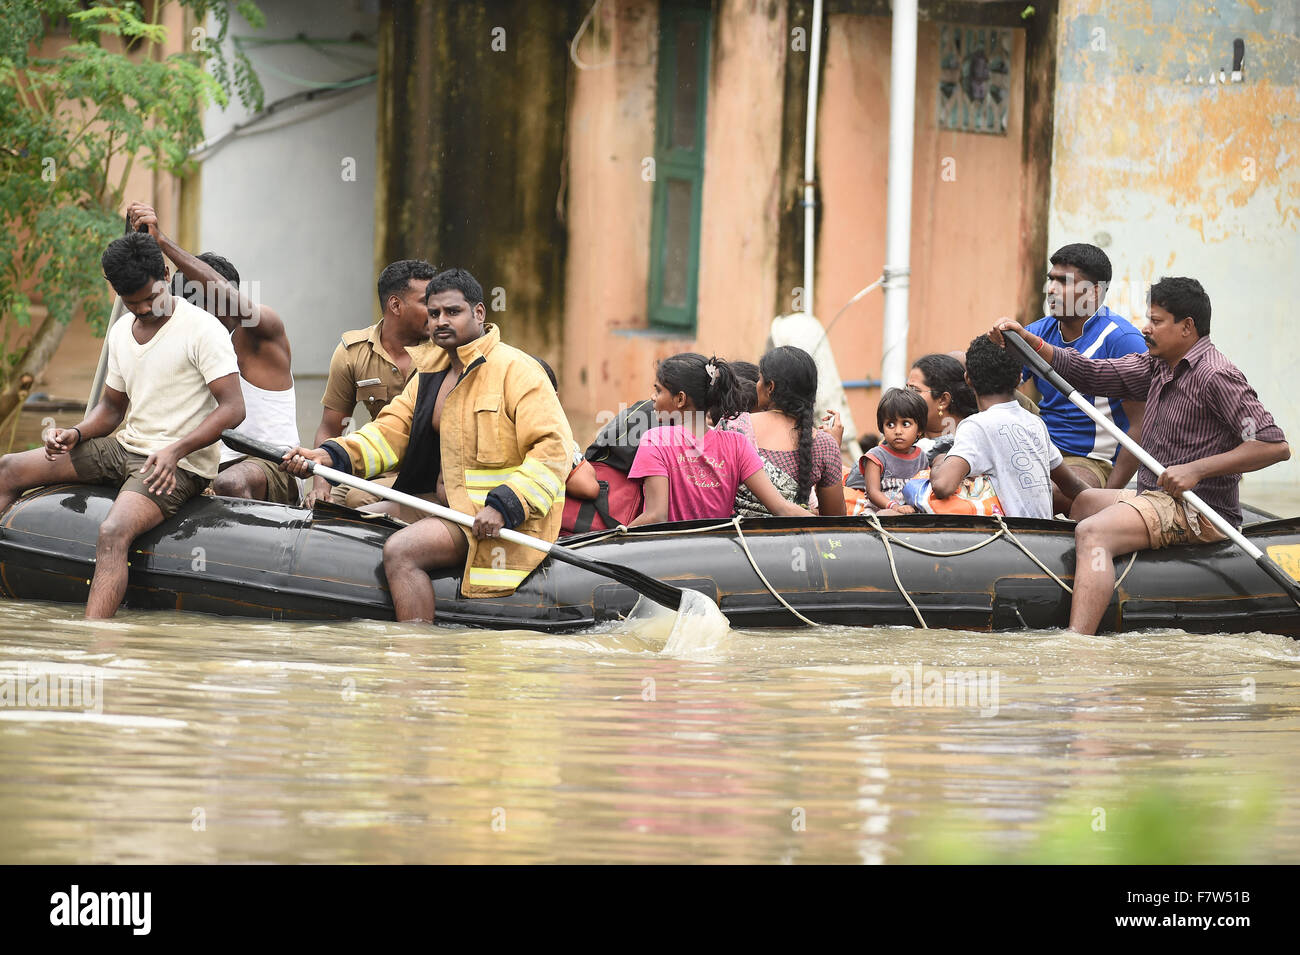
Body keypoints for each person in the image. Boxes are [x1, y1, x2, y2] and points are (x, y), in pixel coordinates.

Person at [991, 276, 1290, 634]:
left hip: (1196, 509)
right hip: (1156, 496)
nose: (1145, 329)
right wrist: (1033, 344)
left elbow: (1273, 445)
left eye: (1156, 321)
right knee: (1081, 502)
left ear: (1187, 326)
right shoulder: (1156, 365)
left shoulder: (1217, 376)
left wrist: (1196, 469)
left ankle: (1078, 642)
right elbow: (1091, 372)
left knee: (1093, 533)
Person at [280, 268, 574, 622]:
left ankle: (417, 656)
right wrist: (327, 456)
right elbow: (388, 433)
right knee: (352, 527)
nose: (441, 321)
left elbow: (553, 450)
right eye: (434, 313)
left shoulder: (518, 371)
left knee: (401, 551)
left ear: (479, 313)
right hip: (440, 506)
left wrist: (504, 506)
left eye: (453, 312)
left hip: (497, 521)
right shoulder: (430, 375)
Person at [0, 232, 244, 618]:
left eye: (152, 297)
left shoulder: (203, 329)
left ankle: (98, 645)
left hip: (177, 465)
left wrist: (175, 449)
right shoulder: (120, 333)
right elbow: (112, 409)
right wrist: (75, 434)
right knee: (8, 468)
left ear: (166, 273)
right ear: (117, 293)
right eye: (134, 304)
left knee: (112, 532)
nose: (146, 308)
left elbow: (233, 408)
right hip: (123, 448)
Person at [127, 202, 299, 505]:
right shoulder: (182, 341)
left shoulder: (260, 332)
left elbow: (229, 298)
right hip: (202, 468)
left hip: (271, 467)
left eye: (197, 303)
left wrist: (162, 242)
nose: (186, 314)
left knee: (229, 482)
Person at [1022, 244, 1147, 510]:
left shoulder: (1123, 340)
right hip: (1041, 445)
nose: (1051, 289)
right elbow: (996, 382)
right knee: (994, 389)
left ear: (1093, 292)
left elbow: (1141, 426)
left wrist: (1107, 498)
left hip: (1090, 460)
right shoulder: (1038, 330)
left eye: (1063, 281)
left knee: (1046, 492)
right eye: (1051, 279)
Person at [308, 259, 439, 507]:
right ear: (396, 305)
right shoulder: (353, 352)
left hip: (430, 471)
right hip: (376, 463)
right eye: (427, 302)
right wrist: (320, 487)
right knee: (324, 509)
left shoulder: (445, 351)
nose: (437, 311)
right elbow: (330, 427)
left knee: (359, 500)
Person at [627, 354, 812, 525]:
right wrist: (837, 529)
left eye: (658, 391)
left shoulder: (655, 440)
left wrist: (613, 539)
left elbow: (656, 516)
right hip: (723, 555)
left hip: (671, 555)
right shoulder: (737, 444)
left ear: (680, 399)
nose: (652, 397)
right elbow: (782, 508)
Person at [930, 334, 1088, 519]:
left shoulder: (976, 426)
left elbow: (943, 485)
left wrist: (940, 461)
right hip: (1043, 536)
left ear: (968, 379)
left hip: (1010, 539)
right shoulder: (1035, 423)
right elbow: (1072, 485)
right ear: (1019, 378)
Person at [717, 346, 846, 517]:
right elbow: (835, 520)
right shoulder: (825, 444)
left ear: (770, 387)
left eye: (759, 379)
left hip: (737, 541)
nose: (757, 385)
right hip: (798, 541)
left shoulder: (732, 426)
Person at [859, 388, 929, 514]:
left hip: (912, 514)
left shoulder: (921, 457)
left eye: (906, 424)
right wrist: (894, 507)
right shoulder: (876, 456)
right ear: (882, 427)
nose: (897, 431)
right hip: (880, 512)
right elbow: (872, 492)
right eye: (890, 424)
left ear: (919, 429)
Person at [905, 353, 979, 462]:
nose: (905, 396)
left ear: (943, 400)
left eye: (915, 390)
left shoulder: (969, 447)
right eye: (906, 389)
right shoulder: (896, 441)